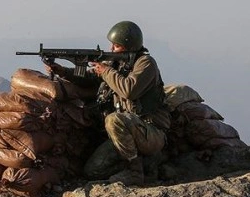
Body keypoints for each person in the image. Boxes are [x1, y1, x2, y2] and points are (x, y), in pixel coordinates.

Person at [45, 21, 170, 185]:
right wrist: (64, 71)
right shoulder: (117, 64)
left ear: (128, 46)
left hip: (150, 131)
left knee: (113, 119)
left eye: (116, 46)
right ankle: (145, 164)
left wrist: (106, 71)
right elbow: (91, 78)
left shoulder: (145, 64)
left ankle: (136, 173)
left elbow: (129, 90)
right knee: (93, 170)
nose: (111, 49)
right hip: (125, 134)